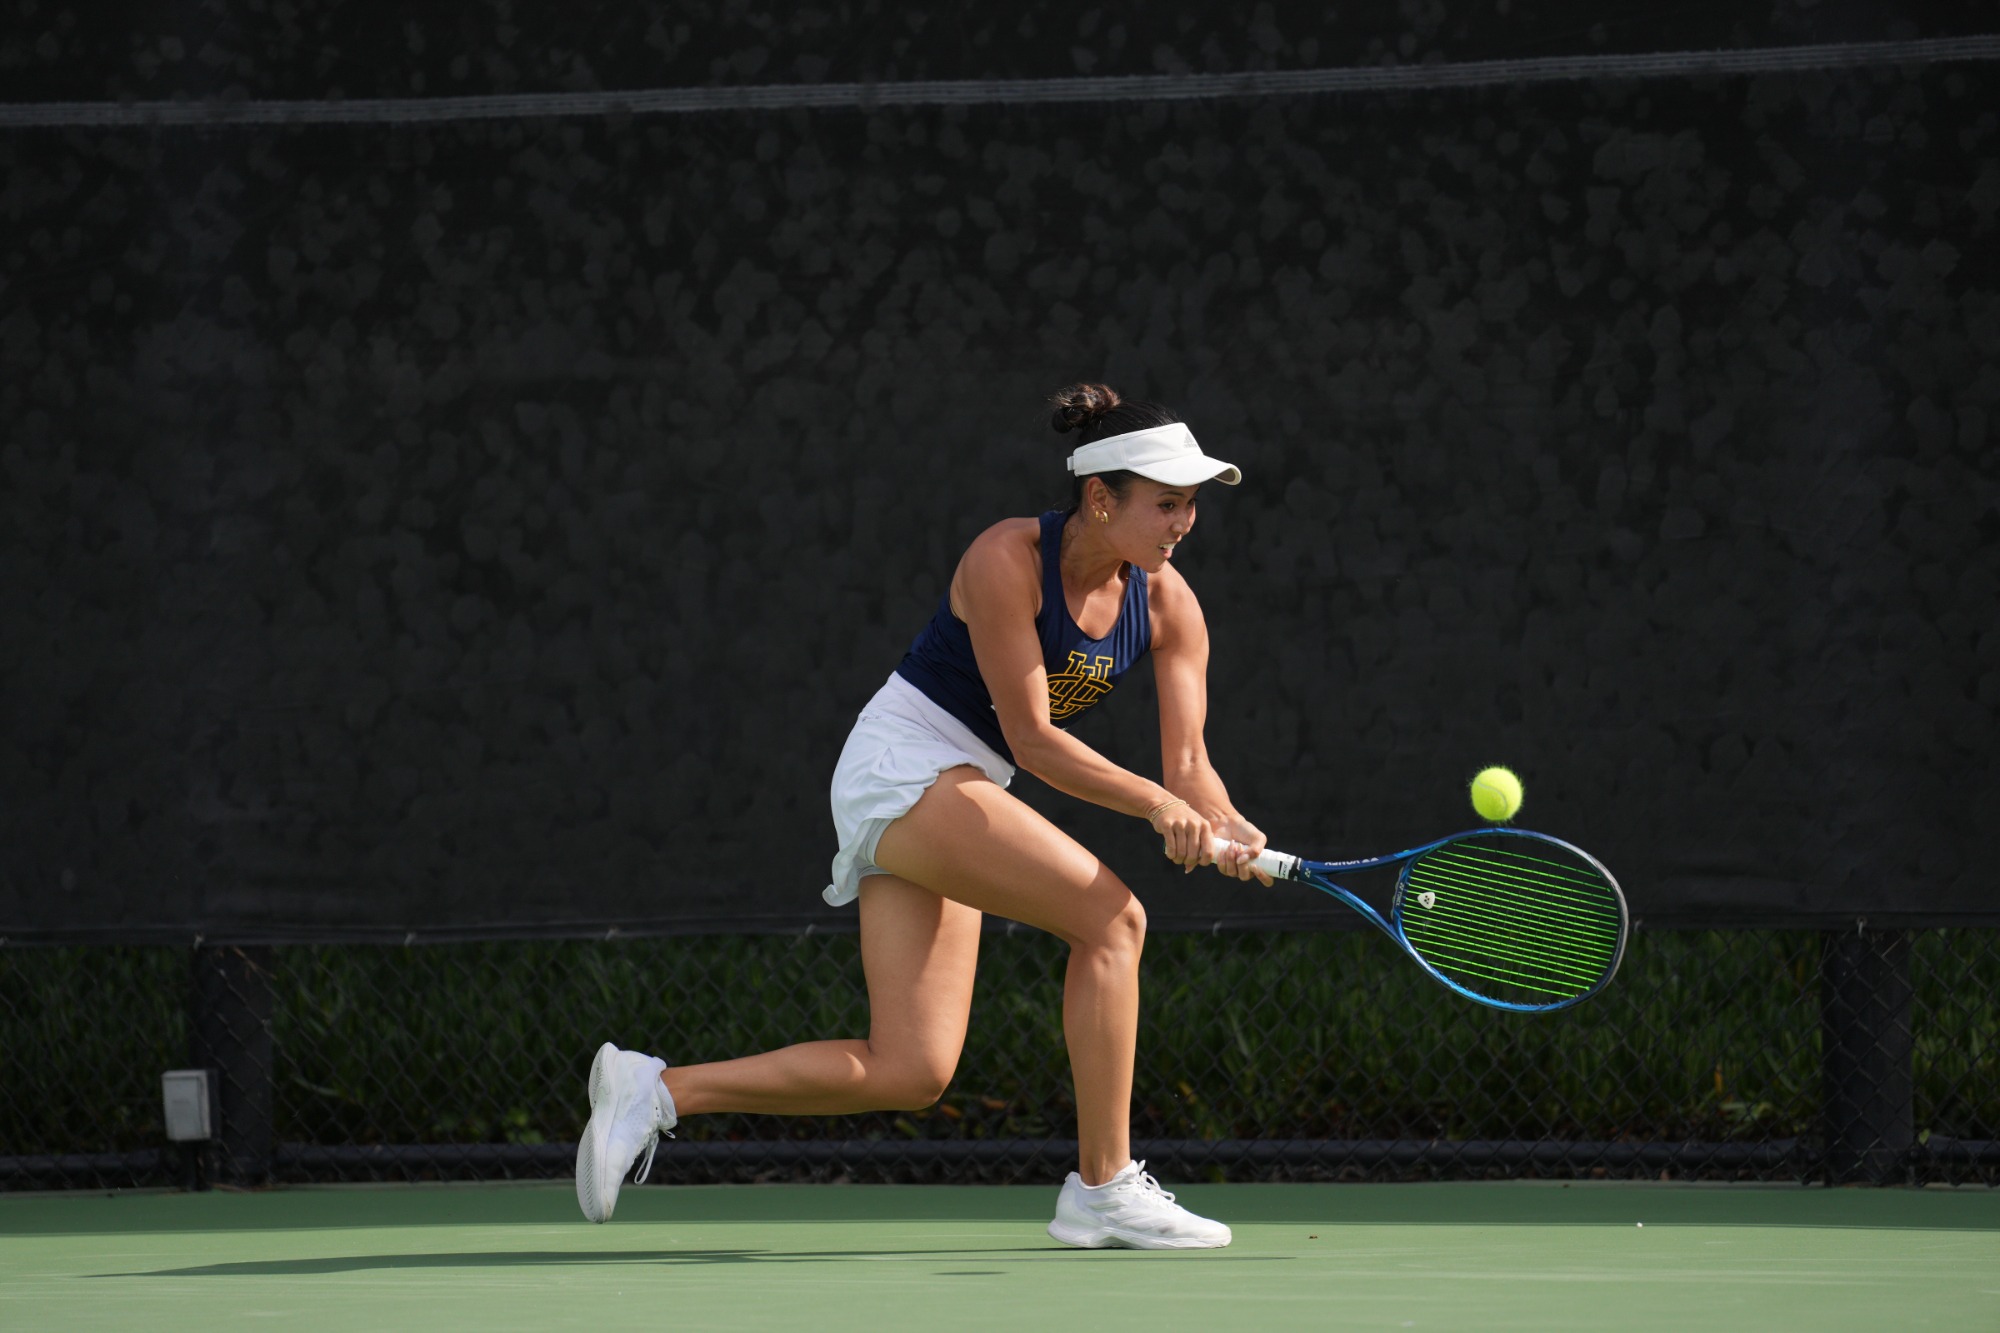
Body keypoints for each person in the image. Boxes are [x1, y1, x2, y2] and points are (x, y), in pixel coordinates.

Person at [576, 383, 1272, 1248]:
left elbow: (1192, 765)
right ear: (1101, 498)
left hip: (966, 787)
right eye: (1166, 502)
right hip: (903, 764)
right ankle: (1103, 1185)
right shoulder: (1006, 559)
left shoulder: (1169, 606)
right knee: (1112, 920)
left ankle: (657, 1089)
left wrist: (1229, 824)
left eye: (1192, 504)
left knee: (911, 1068)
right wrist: (1161, 807)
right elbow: (1036, 740)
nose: (1184, 521)